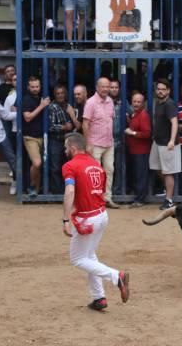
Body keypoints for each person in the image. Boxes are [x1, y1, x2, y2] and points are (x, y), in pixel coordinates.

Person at [61, 132, 129, 312]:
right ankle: (99, 297)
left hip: (87, 218)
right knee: (89, 255)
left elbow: (70, 192)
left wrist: (66, 219)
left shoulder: (70, 166)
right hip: (101, 214)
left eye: (67, 147)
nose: (65, 150)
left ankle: (116, 276)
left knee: (77, 259)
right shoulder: (95, 164)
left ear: (73, 148)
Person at [82, 77, 119, 208]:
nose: (105, 89)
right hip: (95, 143)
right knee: (95, 174)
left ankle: (107, 198)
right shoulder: (91, 102)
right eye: (102, 86)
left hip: (109, 143)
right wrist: (87, 143)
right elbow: (85, 124)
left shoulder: (110, 101)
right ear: (97, 87)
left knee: (109, 170)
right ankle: (94, 200)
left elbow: (110, 120)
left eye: (107, 86)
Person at [150, 79, 180, 210]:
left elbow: (174, 122)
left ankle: (169, 200)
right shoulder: (158, 103)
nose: (160, 91)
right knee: (158, 169)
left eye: (163, 89)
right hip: (157, 142)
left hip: (167, 143)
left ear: (168, 91)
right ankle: (167, 190)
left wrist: (172, 140)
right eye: (158, 89)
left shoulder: (169, 104)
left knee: (168, 172)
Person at [21, 76, 49, 198]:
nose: (35, 89)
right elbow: (27, 117)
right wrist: (42, 106)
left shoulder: (41, 97)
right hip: (30, 137)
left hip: (43, 136)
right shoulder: (26, 99)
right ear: (28, 87)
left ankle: (37, 191)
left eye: (37, 86)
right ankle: (32, 186)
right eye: (32, 87)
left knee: (42, 164)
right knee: (37, 163)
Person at [48, 85, 79, 195]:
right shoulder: (52, 107)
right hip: (56, 140)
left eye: (62, 93)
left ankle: (66, 190)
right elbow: (49, 126)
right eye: (58, 93)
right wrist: (64, 127)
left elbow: (77, 125)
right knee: (55, 167)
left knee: (67, 167)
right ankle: (57, 191)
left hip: (68, 141)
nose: (60, 95)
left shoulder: (69, 106)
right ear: (55, 95)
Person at [124, 93, 151, 208]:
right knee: (137, 175)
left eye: (139, 102)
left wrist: (132, 133)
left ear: (143, 103)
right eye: (134, 101)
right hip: (135, 150)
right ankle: (138, 198)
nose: (136, 104)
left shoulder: (143, 115)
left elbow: (147, 133)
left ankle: (140, 199)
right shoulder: (135, 114)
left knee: (140, 175)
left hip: (141, 151)